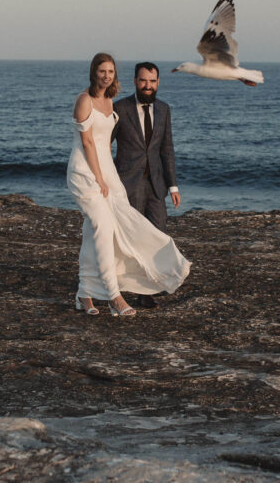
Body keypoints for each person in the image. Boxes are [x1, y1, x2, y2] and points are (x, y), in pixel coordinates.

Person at [67, 53, 190, 317]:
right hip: (92, 173)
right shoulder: (93, 102)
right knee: (105, 228)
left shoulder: (112, 102)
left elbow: (166, 148)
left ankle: (85, 293)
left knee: (95, 230)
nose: (106, 75)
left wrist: (173, 185)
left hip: (124, 176)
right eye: (102, 71)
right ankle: (114, 295)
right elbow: (90, 142)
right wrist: (99, 177)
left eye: (110, 71)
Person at [112, 62, 181, 309]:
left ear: (158, 82)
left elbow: (167, 149)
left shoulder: (164, 109)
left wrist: (173, 186)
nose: (147, 86)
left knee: (158, 235)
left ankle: (150, 287)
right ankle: (136, 290)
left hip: (156, 184)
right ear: (135, 81)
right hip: (128, 183)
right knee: (134, 238)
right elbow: (104, 143)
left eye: (152, 81)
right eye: (143, 81)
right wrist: (106, 179)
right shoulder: (120, 108)